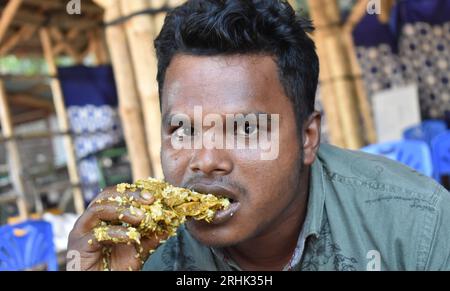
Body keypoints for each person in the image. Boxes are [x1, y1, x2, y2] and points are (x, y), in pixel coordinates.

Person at [68, 0, 450, 271]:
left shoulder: (418, 227)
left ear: (308, 137)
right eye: (182, 129)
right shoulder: (140, 254)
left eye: (246, 128)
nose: (205, 159)